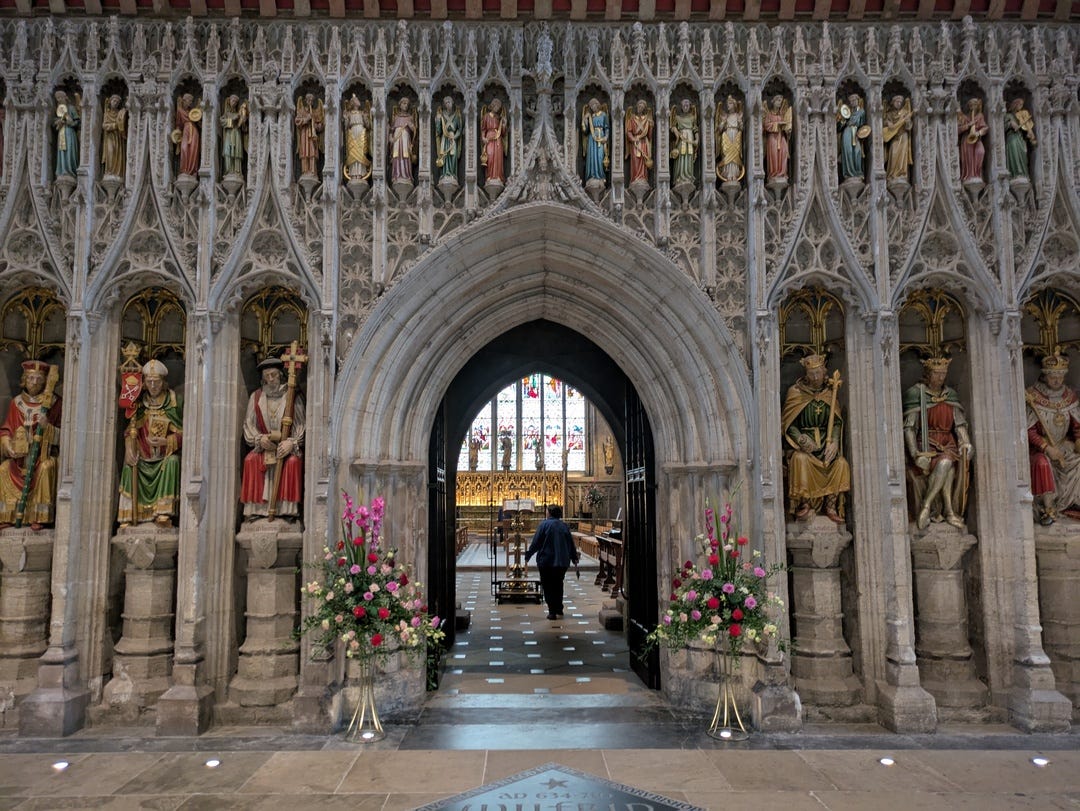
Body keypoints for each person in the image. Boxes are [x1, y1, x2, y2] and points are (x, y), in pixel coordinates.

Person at [903, 357, 973, 530]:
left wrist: (965, 442)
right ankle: (949, 512)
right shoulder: (916, 394)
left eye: (943, 374)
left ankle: (927, 505)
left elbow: (959, 424)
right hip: (926, 445)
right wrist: (915, 454)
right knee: (948, 468)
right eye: (936, 373)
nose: (941, 378)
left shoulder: (950, 395)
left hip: (948, 443)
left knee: (947, 462)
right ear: (928, 374)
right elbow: (909, 428)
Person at [781, 354, 851, 523]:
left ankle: (831, 506)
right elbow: (788, 423)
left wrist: (834, 442)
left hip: (826, 446)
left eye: (818, 373)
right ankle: (804, 503)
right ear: (806, 374)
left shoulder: (830, 393)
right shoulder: (796, 393)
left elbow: (836, 422)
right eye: (811, 374)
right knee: (799, 460)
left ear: (824, 372)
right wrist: (801, 439)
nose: (815, 377)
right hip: (806, 446)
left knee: (841, 464)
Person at [117, 359, 183, 527]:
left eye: (157, 382)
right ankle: (129, 515)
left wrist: (166, 441)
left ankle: (163, 512)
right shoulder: (138, 404)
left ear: (164, 382)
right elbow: (130, 431)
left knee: (173, 462)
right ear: (144, 383)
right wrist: (129, 449)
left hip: (163, 457)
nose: (153, 386)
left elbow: (185, 434)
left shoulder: (174, 402)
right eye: (149, 381)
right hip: (143, 456)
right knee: (129, 466)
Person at [241, 357, 305, 521]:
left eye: (274, 375)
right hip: (265, 445)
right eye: (267, 376)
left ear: (281, 375)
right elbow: (249, 424)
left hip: (286, 447)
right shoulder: (256, 397)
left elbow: (301, 424)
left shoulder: (292, 396)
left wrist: (291, 442)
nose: (270, 380)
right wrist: (259, 439)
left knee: (292, 462)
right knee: (250, 460)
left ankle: (286, 510)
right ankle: (257, 509)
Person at [0, 361, 61, 530]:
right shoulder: (16, 403)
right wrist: (8, 446)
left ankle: (39, 515)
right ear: (24, 380)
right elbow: (6, 430)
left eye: (39, 379)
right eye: (30, 378)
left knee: (46, 468)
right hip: (20, 458)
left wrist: (47, 427)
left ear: (45, 381)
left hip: (41, 455)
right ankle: (9, 515)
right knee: (3, 469)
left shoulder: (53, 403)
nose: (34, 382)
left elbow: (66, 436)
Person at [1025, 353, 1080, 526]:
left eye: (1060, 376)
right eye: (1052, 376)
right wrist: (1046, 448)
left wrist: (1078, 441)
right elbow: (1029, 431)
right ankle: (1048, 508)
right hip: (1040, 448)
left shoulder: (1069, 396)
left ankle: (1072, 503)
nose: (1056, 380)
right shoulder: (1034, 396)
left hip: (1063, 443)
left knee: (1077, 459)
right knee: (1042, 463)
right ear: (1045, 375)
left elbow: (1077, 426)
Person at [525, 505, 579, 620]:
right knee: (558, 584)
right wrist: (574, 557)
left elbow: (536, 542)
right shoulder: (564, 526)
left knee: (547, 585)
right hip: (562, 561)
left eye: (546, 511)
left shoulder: (544, 525)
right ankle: (559, 608)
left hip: (547, 561)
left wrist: (529, 554)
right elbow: (570, 543)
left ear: (549, 513)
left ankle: (552, 611)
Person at [882, 94, 913, 183]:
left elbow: (909, 127)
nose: (899, 103)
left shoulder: (905, 113)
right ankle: (892, 174)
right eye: (897, 102)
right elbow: (885, 124)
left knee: (902, 155)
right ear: (893, 102)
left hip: (903, 136)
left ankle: (902, 174)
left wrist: (907, 122)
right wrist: (887, 123)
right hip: (894, 137)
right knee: (893, 153)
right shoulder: (889, 114)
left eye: (900, 102)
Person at [342, 94, 372, 183]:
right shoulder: (349, 114)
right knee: (353, 151)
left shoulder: (362, 113)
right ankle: (353, 174)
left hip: (361, 132)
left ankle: (361, 173)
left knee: (361, 151)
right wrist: (345, 118)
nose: (358, 101)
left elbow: (368, 126)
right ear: (353, 103)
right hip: (352, 133)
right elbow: (346, 127)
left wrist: (366, 117)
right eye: (356, 100)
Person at [1005, 97, 1036, 180]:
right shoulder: (1008, 115)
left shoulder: (1022, 115)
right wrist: (1010, 124)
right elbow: (1003, 127)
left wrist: (1029, 133)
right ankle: (1016, 174)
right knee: (1014, 154)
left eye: (1022, 105)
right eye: (1019, 104)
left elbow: (1026, 127)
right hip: (1012, 138)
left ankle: (1024, 174)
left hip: (1020, 138)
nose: (1021, 107)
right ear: (1015, 105)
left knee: (1023, 154)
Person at [837, 93, 867, 182]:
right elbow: (840, 127)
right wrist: (842, 121)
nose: (853, 102)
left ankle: (858, 172)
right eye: (851, 101)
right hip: (847, 133)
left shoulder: (861, 112)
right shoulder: (847, 112)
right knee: (848, 151)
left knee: (857, 152)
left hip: (856, 133)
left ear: (858, 100)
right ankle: (848, 173)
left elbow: (863, 125)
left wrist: (862, 134)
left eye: (854, 100)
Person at [715, 95, 745, 185]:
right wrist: (723, 122)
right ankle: (727, 173)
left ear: (734, 105)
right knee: (726, 153)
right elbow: (719, 130)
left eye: (730, 103)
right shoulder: (726, 116)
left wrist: (740, 121)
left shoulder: (737, 116)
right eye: (728, 104)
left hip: (735, 135)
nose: (728, 105)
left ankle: (734, 174)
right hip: (727, 135)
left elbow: (742, 128)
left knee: (735, 153)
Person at [669, 98, 698, 187]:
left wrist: (697, 139)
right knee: (681, 156)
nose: (685, 107)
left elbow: (695, 129)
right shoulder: (677, 118)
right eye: (684, 106)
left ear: (690, 107)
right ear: (681, 107)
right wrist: (676, 132)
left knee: (689, 156)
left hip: (690, 139)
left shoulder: (692, 117)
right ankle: (679, 177)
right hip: (681, 139)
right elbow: (672, 127)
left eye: (687, 105)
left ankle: (688, 177)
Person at [957, 97, 988, 182]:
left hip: (977, 138)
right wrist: (968, 125)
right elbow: (957, 130)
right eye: (970, 105)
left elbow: (985, 128)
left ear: (977, 106)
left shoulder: (980, 116)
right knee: (969, 158)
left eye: (974, 105)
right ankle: (969, 176)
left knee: (981, 152)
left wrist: (979, 133)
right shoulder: (964, 117)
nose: (972, 107)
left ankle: (977, 174)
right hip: (967, 140)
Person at [762, 94, 790, 183]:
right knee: (774, 154)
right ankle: (773, 174)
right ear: (773, 102)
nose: (779, 104)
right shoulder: (769, 115)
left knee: (783, 152)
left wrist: (786, 128)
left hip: (781, 137)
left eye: (780, 102)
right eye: (778, 101)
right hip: (773, 138)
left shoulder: (781, 116)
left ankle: (782, 173)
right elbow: (766, 126)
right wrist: (777, 125)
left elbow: (786, 126)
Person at [624, 99, 654, 186]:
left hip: (644, 142)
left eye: (641, 107)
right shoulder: (632, 119)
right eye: (638, 106)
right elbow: (628, 132)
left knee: (643, 160)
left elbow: (649, 136)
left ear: (644, 109)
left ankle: (643, 178)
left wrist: (651, 127)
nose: (639, 108)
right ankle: (635, 178)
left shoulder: (647, 119)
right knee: (635, 160)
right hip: (635, 143)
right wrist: (633, 139)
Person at [580, 98, 610, 184]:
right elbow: (586, 131)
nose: (592, 107)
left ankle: (601, 176)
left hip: (601, 137)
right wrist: (585, 120)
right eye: (591, 106)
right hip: (592, 139)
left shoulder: (603, 115)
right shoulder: (591, 116)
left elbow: (607, 127)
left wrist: (606, 137)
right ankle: (592, 176)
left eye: (593, 105)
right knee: (592, 157)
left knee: (600, 157)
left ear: (597, 105)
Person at [388, 97, 417, 184]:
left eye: (407, 104)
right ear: (400, 105)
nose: (405, 106)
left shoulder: (410, 117)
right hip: (397, 139)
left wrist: (411, 126)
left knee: (405, 155)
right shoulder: (396, 117)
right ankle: (396, 175)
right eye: (404, 103)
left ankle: (406, 175)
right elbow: (391, 130)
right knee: (396, 155)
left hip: (405, 138)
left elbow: (414, 131)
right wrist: (391, 138)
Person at [434, 96, 463, 183]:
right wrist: (437, 120)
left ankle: (452, 173)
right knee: (444, 155)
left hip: (452, 138)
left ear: (452, 103)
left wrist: (454, 136)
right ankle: (445, 173)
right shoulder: (441, 115)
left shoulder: (457, 116)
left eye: (449, 102)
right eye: (446, 103)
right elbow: (439, 131)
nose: (448, 104)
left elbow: (460, 129)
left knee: (453, 156)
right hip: (444, 138)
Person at [479, 97, 508, 185]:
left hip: (498, 139)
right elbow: (483, 129)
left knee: (498, 158)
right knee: (490, 156)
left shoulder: (499, 118)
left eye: (499, 107)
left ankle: (498, 176)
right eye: (496, 106)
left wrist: (504, 124)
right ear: (492, 105)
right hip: (489, 138)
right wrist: (483, 137)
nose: (497, 108)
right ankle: (489, 176)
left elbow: (503, 133)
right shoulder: (486, 116)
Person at [295, 93, 324, 177]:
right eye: (308, 100)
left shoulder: (314, 112)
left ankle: (312, 171)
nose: (310, 102)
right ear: (306, 101)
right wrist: (306, 119)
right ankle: (304, 171)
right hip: (304, 134)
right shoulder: (302, 111)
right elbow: (297, 121)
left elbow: (319, 125)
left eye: (311, 100)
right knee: (304, 152)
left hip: (312, 136)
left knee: (312, 152)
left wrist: (318, 126)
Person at [53, 90, 81, 178]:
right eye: (57, 98)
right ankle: (62, 170)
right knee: (61, 151)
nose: (59, 100)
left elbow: (77, 121)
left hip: (69, 132)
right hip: (61, 132)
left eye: (60, 97)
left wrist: (70, 122)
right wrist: (58, 122)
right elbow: (54, 121)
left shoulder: (71, 108)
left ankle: (70, 170)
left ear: (65, 97)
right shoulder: (58, 109)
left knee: (69, 150)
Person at [220, 94, 248, 179]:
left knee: (237, 152)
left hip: (237, 134)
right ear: (229, 101)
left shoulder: (238, 113)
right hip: (229, 134)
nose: (234, 103)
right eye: (233, 101)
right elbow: (221, 121)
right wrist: (232, 120)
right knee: (228, 151)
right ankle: (228, 171)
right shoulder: (227, 113)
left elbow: (243, 128)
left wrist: (243, 121)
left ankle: (237, 171)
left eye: (236, 102)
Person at [174, 93, 201, 178]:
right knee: (184, 149)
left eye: (192, 101)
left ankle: (192, 171)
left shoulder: (192, 112)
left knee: (193, 150)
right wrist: (176, 134)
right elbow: (178, 124)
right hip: (186, 130)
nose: (190, 102)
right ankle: (184, 170)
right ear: (184, 100)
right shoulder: (180, 110)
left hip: (194, 131)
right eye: (189, 100)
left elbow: (198, 122)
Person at [101, 94, 127, 179]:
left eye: (117, 102)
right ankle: (109, 172)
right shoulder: (107, 113)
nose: (115, 103)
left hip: (118, 137)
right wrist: (114, 126)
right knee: (110, 152)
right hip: (110, 137)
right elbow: (104, 126)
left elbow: (123, 124)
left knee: (117, 154)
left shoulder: (120, 113)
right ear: (110, 102)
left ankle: (117, 173)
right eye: (114, 101)